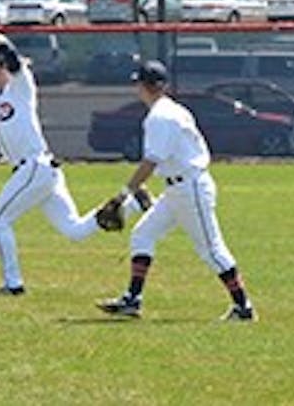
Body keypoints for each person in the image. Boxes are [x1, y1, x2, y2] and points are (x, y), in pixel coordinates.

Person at [0, 30, 119, 296]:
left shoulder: (22, 87)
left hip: (34, 166)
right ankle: (132, 204)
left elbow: (12, 59)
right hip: (40, 171)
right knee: (74, 230)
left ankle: (14, 284)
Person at [96, 59, 257, 322]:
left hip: (189, 188)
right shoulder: (174, 109)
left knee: (212, 250)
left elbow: (151, 160)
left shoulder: (159, 117)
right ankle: (132, 299)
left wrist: (125, 193)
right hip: (178, 188)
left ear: (144, 86)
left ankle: (243, 307)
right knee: (143, 234)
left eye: (138, 83)